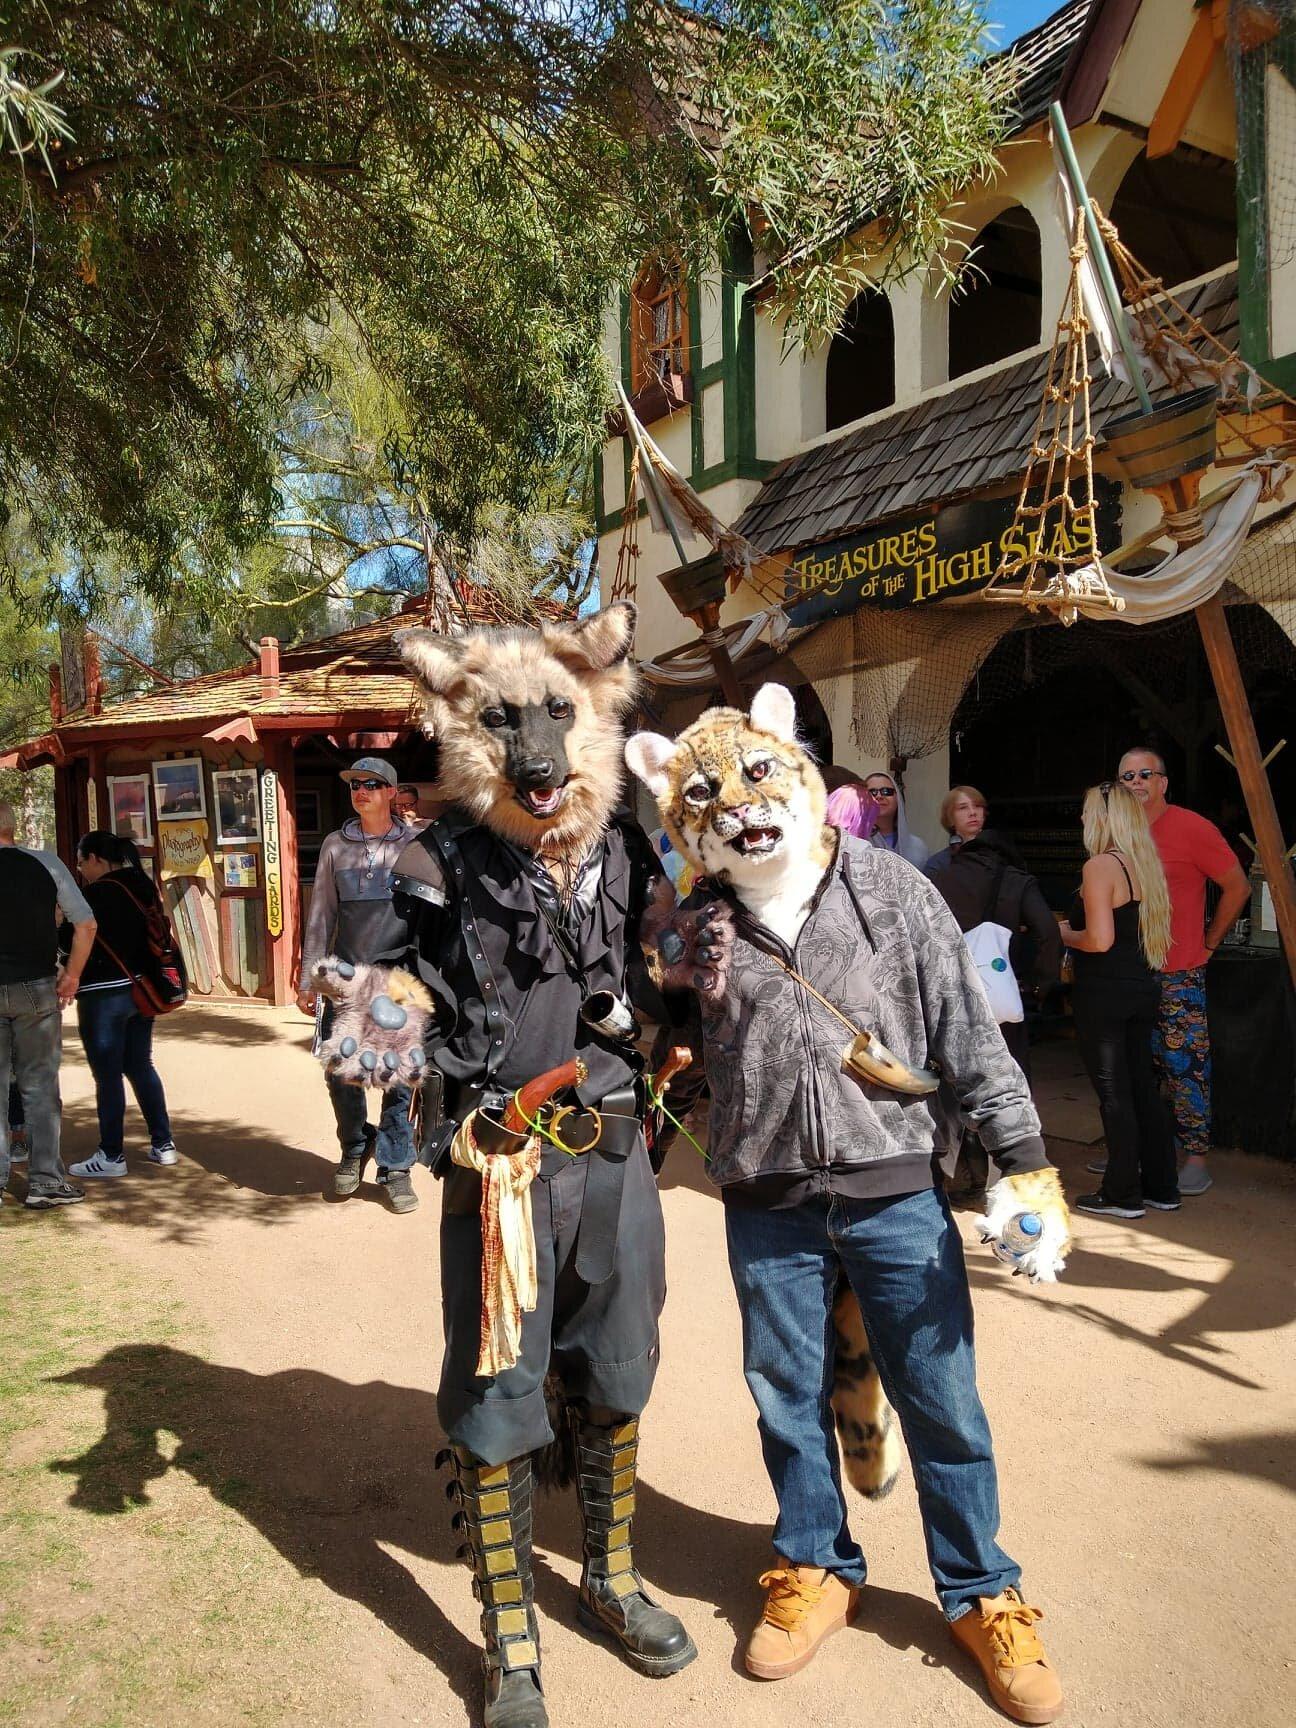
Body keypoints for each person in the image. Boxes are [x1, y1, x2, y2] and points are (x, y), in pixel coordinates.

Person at [627, 685, 1068, 1727]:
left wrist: (1024, 1160)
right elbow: (666, 1040)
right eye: (708, 797)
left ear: (797, 771)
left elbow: (967, 1029)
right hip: (766, 1197)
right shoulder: (698, 917)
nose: (741, 806)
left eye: (759, 777)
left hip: (894, 1190)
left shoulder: (893, 889)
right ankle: (816, 1564)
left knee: (941, 1398)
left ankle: (982, 1588)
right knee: (786, 1395)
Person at [1113, 748, 1250, 1197]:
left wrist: (1209, 942)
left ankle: (1195, 1157)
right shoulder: (1116, 831)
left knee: (1185, 1066)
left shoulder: (1192, 827)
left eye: (1144, 774)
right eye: (1127, 776)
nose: (1135, 782)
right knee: (1132, 1066)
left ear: (1163, 783)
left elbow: (1237, 886)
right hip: (1128, 970)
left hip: (1179, 971)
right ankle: (1135, 1151)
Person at [297, 757, 420, 1214]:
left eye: (372, 783)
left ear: (391, 792)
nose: (361, 790)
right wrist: (310, 977)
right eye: (354, 784)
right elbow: (321, 914)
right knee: (340, 1071)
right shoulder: (335, 845)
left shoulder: (414, 844)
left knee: (399, 1077)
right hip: (346, 979)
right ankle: (354, 1145)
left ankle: (396, 1166)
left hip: (399, 978)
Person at [1060, 782, 1179, 1220]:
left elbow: (1099, 939)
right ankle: (1162, 1186)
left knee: (1115, 1093)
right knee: (1142, 1087)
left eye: (1088, 810)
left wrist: (1062, 933)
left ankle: (1122, 1193)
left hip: (1104, 992)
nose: (1082, 818)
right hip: (1142, 987)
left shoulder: (1100, 866)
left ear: (1105, 819)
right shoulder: (1145, 863)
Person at [927, 828, 1061, 1202]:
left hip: (948, 998)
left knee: (949, 1087)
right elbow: (1049, 932)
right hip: (1001, 1001)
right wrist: (1040, 985)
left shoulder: (941, 878)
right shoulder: (1017, 880)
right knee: (1006, 1082)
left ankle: (950, 1175)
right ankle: (1003, 1177)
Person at [65, 832, 179, 1180]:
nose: (81, 869)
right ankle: (163, 1143)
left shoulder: (95, 894)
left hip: (102, 993)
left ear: (96, 859)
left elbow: (72, 938)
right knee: (140, 1064)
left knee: (107, 1074)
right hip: (142, 989)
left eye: (82, 862)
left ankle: (111, 1154)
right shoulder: (142, 885)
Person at [0, 800, 97, 1209]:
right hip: (36, 986)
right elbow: (86, 923)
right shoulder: (46, 863)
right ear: (12, 826)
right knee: (40, 1086)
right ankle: (45, 1182)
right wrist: (72, 975)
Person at [925, 784, 988, 875]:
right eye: (963, 807)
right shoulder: (938, 864)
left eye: (977, 806)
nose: (972, 812)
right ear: (950, 817)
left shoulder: (1001, 854)